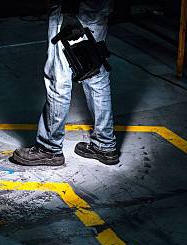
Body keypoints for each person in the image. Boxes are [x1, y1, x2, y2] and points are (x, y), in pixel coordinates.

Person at [13, 0, 119, 166]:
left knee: (59, 81)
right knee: (96, 76)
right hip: (97, 8)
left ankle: (49, 148)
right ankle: (104, 145)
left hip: (72, 13)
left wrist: (69, 13)